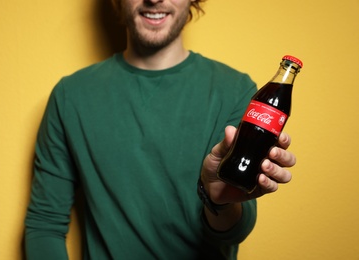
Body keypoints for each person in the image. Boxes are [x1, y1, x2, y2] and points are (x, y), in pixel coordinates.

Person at [24, 0, 296, 259]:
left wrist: (219, 199)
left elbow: (233, 232)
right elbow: (45, 223)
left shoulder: (237, 91)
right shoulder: (71, 95)